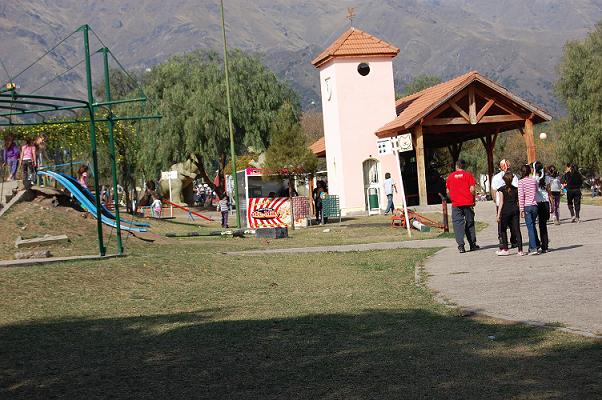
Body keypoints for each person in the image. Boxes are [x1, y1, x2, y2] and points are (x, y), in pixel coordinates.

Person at [445, 159, 479, 253]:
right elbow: (472, 189)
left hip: (456, 204)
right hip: (468, 203)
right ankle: (472, 244)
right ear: (464, 166)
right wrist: (473, 199)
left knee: (457, 224)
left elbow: (448, 191)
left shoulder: (450, 177)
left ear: (456, 166)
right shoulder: (468, 175)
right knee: (470, 223)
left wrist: (452, 198)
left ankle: (461, 246)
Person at [491, 159, 519, 248]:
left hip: (500, 203)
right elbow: (516, 190)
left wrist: (496, 201)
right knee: (513, 223)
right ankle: (513, 240)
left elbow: (493, 191)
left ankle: (502, 240)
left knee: (501, 223)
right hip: (512, 203)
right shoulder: (513, 176)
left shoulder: (495, 177)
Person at [496, 172, 524, 256]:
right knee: (517, 229)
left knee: (503, 229)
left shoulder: (502, 189)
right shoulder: (516, 189)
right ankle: (520, 250)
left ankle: (505, 248)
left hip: (505, 211)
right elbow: (518, 201)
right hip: (515, 210)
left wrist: (498, 214)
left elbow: (501, 202)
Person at [518, 164, 540, 256]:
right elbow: (536, 190)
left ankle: (533, 248)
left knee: (530, 227)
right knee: (533, 226)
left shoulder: (521, 182)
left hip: (527, 206)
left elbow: (521, 196)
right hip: (534, 205)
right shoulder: (533, 180)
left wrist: (521, 209)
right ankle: (535, 244)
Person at [533, 161, 551, 253]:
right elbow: (549, 191)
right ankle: (545, 246)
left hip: (536, 203)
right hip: (545, 202)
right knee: (543, 225)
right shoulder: (547, 178)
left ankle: (536, 242)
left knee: (532, 224)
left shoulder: (533, 178)